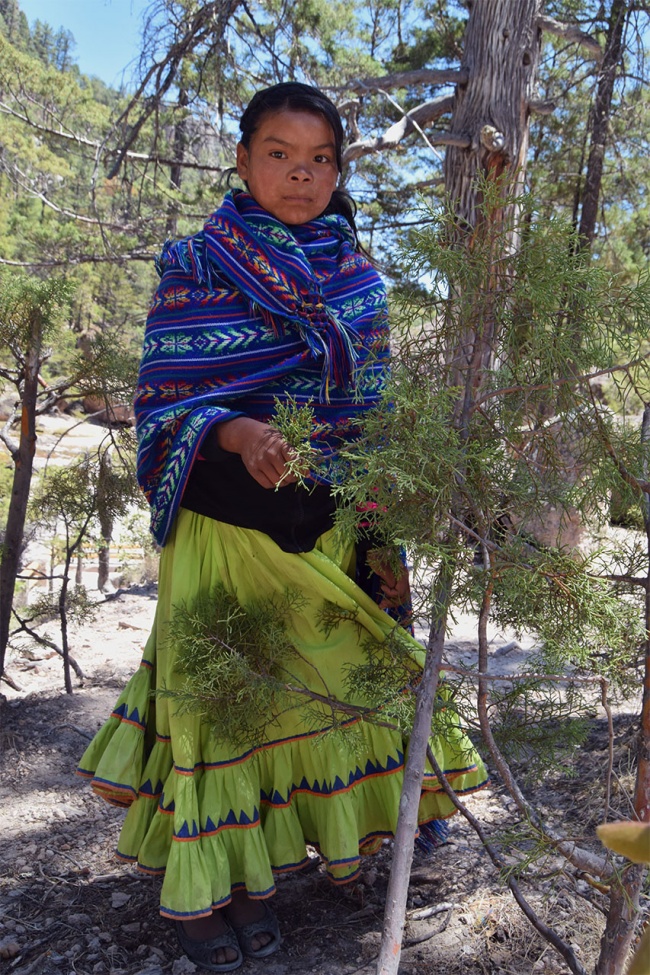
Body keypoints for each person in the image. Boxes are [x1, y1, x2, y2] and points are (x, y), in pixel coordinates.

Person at [78, 82, 487, 972]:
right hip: (226, 518)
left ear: (338, 171)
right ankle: (218, 891)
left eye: (319, 160)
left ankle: (347, 842)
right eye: (279, 155)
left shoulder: (358, 279)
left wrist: (378, 515)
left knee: (339, 680)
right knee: (227, 703)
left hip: (329, 518)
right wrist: (233, 428)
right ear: (241, 159)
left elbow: (371, 412)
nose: (300, 176)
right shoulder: (195, 263)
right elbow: (163, 402)